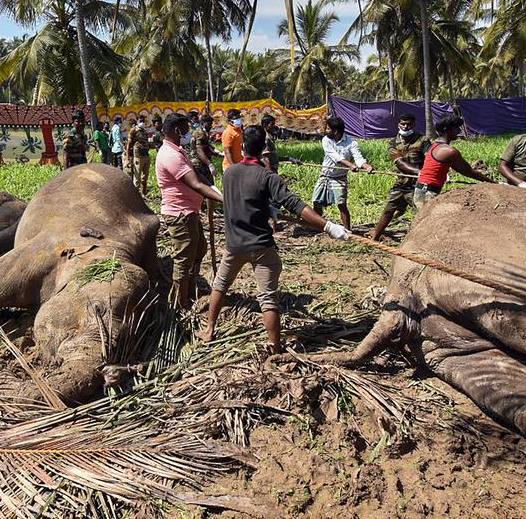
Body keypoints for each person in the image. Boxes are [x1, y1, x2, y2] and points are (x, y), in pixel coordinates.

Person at [200, 126, 352, 354]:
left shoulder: (229, 173)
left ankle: (209, 329)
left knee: (220, 285)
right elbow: (296, 205)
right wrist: (328, 226)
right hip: (262, 247)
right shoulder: (267, 176)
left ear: (242, 148)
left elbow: (239, 200)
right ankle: (275, 346)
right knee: (268, 298)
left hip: (234, 245)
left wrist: (265, 207)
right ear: (263, 150)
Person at [156, 114, 224, 310]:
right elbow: (194, 183)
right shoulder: (170, 155)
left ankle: (191, 286)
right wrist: (223, 200)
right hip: (180, 214)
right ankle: (180, 303)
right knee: (183, 260)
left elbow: (197, 176)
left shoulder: (179, 150)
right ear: (177, 130)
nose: (189, 131)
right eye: (186, 128)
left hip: (189, 212)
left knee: (200, 248)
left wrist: (214, 189)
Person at [370, 113, 429, 241]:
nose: (406, 126)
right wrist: (419, 171)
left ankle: (421, 240)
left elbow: (430, 158)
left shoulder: (422, 140)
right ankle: (375, 236)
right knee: (388, 210)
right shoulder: (393, 143)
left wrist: (429, 173)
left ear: (414, 124)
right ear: (399, 124)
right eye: (403, 124)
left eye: (409, 124)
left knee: (421, 213)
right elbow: (400, 163)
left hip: (418, 185)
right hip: (401, 184)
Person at [415, 115, 495, 207]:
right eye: (456, 128)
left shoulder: (435, 146)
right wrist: (493, 183)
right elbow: (469, 172)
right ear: (447, 130)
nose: (459, 131)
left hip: (424, 189)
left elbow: (459, 169)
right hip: (427, 192)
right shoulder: (449, 151)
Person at [312, 116, 373, 230]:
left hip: (339, 177)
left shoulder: (351, 142)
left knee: (341, 204)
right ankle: (318, 226)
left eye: (328, 129)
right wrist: (350, 165)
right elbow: (335, 156)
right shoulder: (326, 140)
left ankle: (347, 230)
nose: (326, 130)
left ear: (335, 131)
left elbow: (358, 158)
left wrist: (367, 166)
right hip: (326, 175)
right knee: (317, 201)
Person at [127, 116, 148, 182]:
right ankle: (136, 191)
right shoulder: (133, 130)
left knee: (144, 178)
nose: (142, 122)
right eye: (140, 121)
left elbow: (146, 142)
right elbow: (129, 145)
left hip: (146, 156)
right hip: (138, 156)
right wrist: (127, 159)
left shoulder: (144, 131)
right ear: (137, 121)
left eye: (143, 121)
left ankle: (144, 191)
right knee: (137, 178)